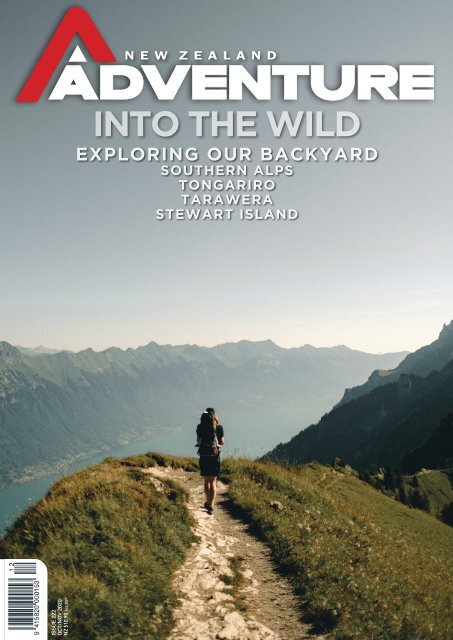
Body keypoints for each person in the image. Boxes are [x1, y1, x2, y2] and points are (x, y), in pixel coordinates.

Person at [196, 407, 225, 514]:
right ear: (214, 415)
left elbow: (198, 441)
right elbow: (221, 443)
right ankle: (211, 505)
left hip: (203, 456)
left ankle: (208, 502)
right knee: (213, 481)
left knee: (206, 481)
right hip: (214, 457)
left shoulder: (199, 427)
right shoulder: (219, 427)